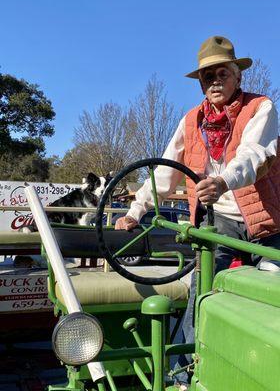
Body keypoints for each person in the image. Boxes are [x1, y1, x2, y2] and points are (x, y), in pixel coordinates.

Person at [115, 35, 280, 389]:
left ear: (238, 77)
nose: (215, 82)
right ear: (201, 83)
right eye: (208, 77)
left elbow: (254, 156)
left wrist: (222, 181)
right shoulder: (191, 121)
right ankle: (183, 377)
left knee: (271, 299)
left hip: (264, 225)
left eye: (222, 73)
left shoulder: (260, 108)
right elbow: (165, 171)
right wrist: (136, 211)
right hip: (214, 226)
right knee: (200, 296)